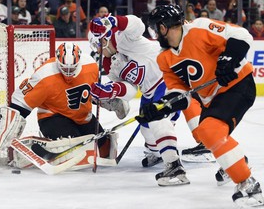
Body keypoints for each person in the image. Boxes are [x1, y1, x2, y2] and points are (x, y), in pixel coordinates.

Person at [143, 4, 263, 207]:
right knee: (206, 135)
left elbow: (242, 35)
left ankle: (250, 186)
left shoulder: (199, 28)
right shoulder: (164, 58)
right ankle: (236, 161)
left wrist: (228, 59)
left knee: (209, 131)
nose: (155, 33)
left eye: (156, 28)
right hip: (212, 98)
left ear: (163, 27)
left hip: (237, 85)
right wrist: (162, 106)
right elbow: (180, 94)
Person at [88, 13, 208, 186]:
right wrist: (111, 90)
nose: (99, 52)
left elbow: (138, 25)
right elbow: (130, 90)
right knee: (147, 131)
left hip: (165, 76)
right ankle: (158, 152)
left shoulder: (122, 37)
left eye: (99, 47)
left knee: (158, 121)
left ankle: (174, 164)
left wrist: (111, 21)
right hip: (149, 92)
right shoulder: (109, 64)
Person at [0, 42, 116, 168]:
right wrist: (6, 127)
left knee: (105, 151)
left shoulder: (91, 66)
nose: (68, 72)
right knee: (74, 149)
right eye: (64, 68)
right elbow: (21, 101)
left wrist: (111, 101)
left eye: (72, 68)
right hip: (53, 117)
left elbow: (93, 93)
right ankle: (40, 145)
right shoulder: (45, 74)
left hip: (83, 117)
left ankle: (57, 144)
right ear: (57, 61)